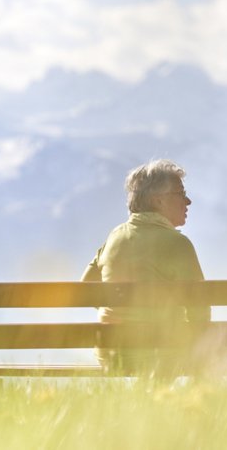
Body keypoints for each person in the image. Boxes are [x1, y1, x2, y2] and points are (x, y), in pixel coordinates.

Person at [81, 159, 209, 375]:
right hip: (162, 354)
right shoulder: (178, 244)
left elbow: (86, 288)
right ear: (158, 201)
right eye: (180, 193)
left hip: (112, 354)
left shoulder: (115, 236)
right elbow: (200, 311)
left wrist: (120, 312)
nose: (188, 201)